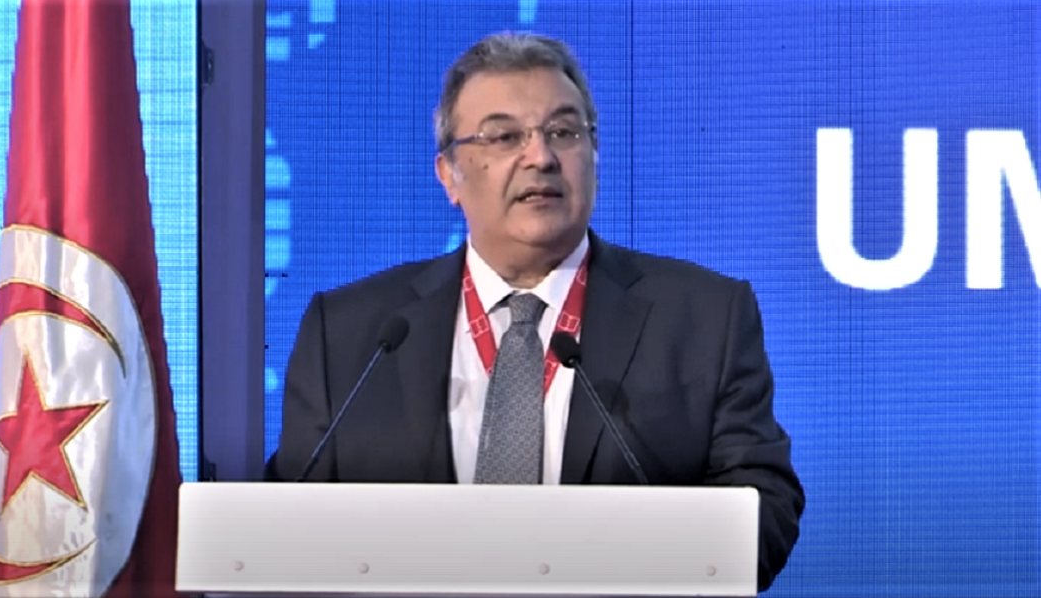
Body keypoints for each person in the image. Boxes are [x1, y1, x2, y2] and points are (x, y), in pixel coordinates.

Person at [267, 31, 804, 591]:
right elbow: (289, 529)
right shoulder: (352, 334)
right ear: (449, 175)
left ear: (594, 157)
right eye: (504, 137)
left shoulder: (703, 318)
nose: (541, 157)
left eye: (564, 132)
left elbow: (764, 513)